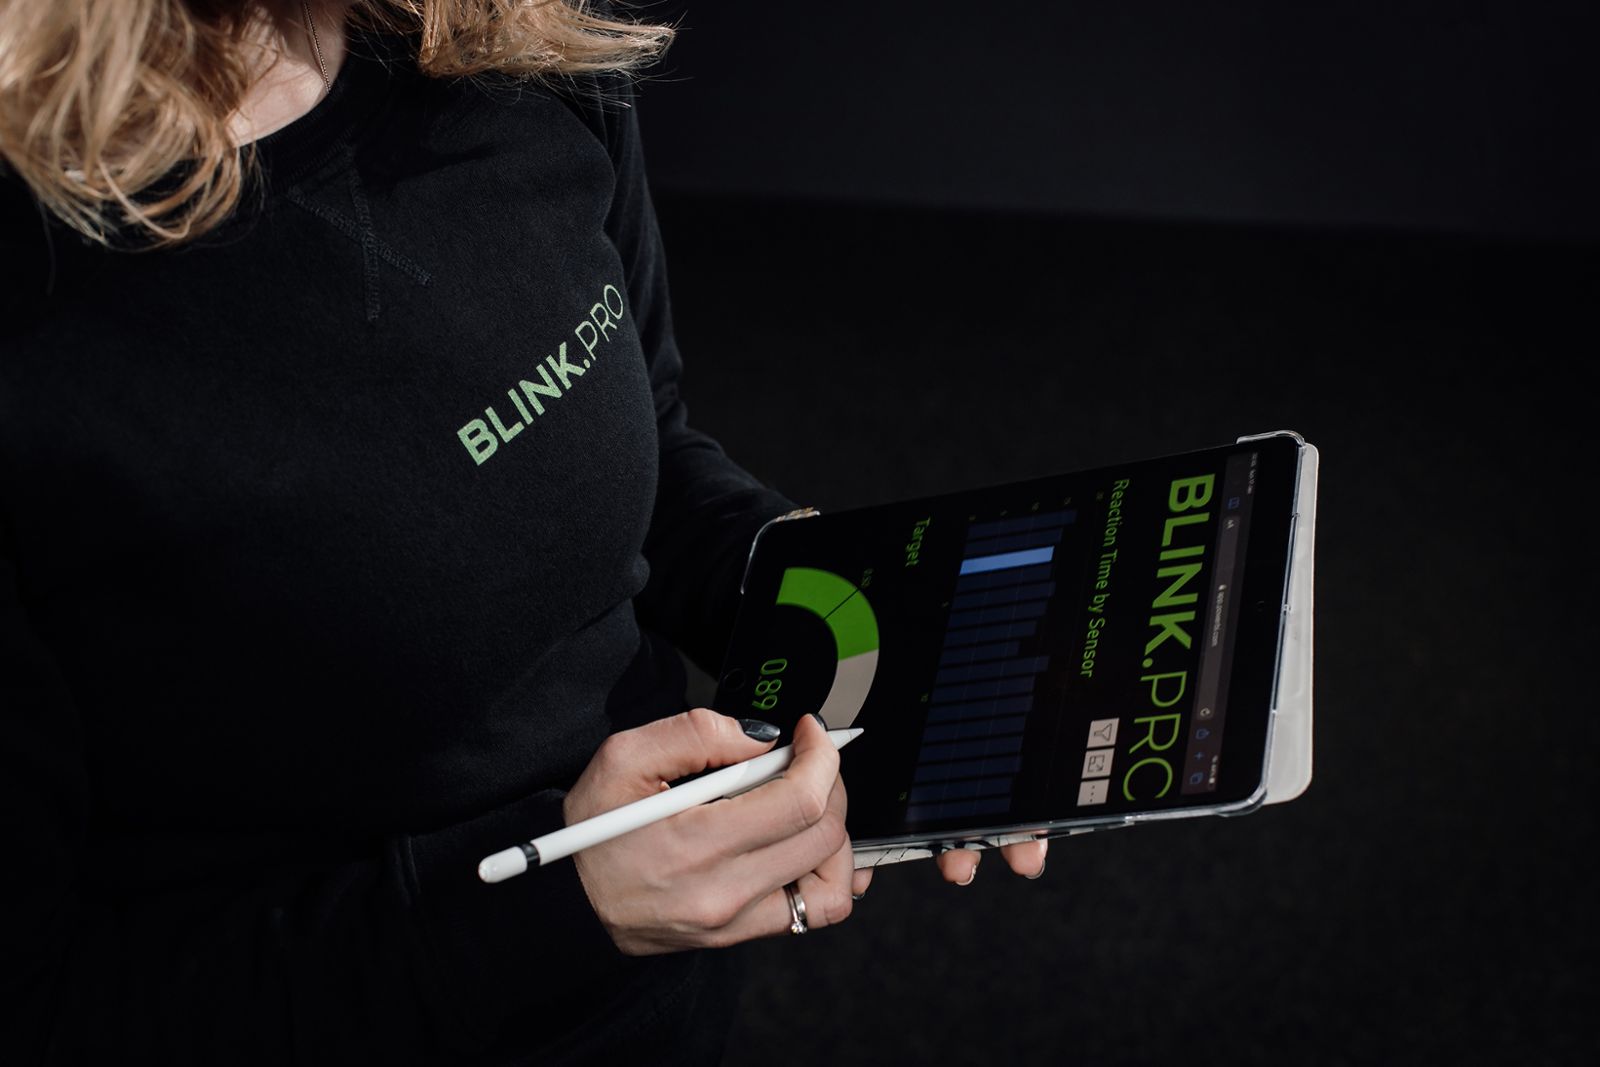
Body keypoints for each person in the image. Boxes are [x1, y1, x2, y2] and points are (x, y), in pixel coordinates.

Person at [0, 1, 1048, 1062]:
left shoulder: (504, 35)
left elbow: (656, 462)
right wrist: (552, 905)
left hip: (663, 1004)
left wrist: (849, 605)